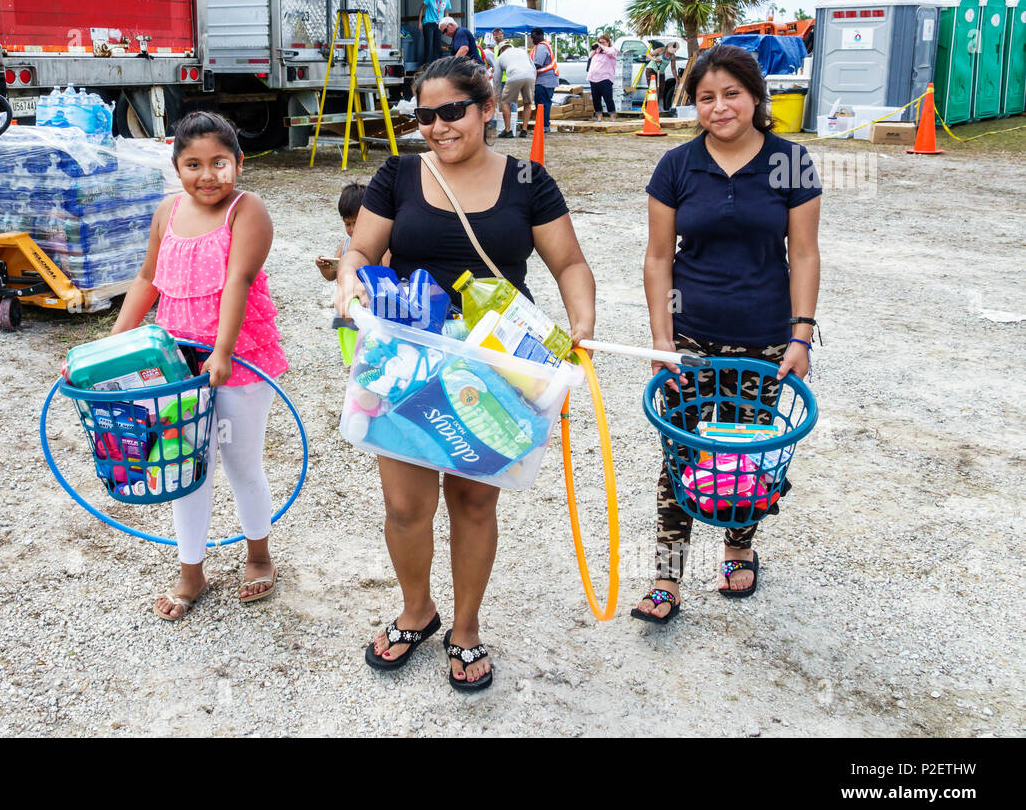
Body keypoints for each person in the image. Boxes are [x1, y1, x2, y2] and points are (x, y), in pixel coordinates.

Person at [334, 55, 597, 690]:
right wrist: (348, 278)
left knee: (475, 500)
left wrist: (581, 327)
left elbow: (568, 264)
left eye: (453, 111)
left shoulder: (529, 179)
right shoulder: (397, 173)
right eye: (425, 115)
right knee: (404, 505)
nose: (438, 126)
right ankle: (416, 610)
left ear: (487, 110)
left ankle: (467, 626)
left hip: (496, 360)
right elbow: (362, 249)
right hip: (407, 360)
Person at [635, 44, 821, 625]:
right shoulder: (675, 166)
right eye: (705, 98)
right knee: (680, 454)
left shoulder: (792, 161)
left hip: (765, 337)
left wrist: (801, 336)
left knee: (744, 454)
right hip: (690, 333)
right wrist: (662, 337)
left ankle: (739, 548)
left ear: (756, 96)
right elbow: (659, 258)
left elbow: (806, 254)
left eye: (731, 94)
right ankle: (667, 577)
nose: (719, 108)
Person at [109, 111, 290, 622]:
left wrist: (223, 352)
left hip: (238, 361)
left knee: (240, 463)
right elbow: (147, 280)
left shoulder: (246, 211)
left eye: (218, 163)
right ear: (176, 167)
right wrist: (106, 350)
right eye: (193, 164)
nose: (207, 175)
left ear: (238, 163)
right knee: (185, 467)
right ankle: (192, 571)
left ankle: (259, 555)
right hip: (176, 364)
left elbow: (238, 281)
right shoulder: (167, 211)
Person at [316, 182, 366, 282]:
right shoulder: (345, 244)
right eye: (347, 224)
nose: (352, 229)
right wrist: (323, 267)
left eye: (356, 223)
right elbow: (331, 275)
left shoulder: (378, 245)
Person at [495, 41, 536, 138]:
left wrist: (496, 96)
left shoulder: (501, 57)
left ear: (501, 50)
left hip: (514, 75)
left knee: (505, 102)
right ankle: (524, 130)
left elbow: (497, 79)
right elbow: (533, 67)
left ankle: (508, 130)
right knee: (528, 103)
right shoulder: (522, 51)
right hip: (530, 75)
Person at [418, 0, 452, 72]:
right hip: (428, 23)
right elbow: (422, 9)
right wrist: (420, 23)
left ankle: (437, 66)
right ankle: (426, 67)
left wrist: (447, 22)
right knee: (429, 45)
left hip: (439, 24)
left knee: (437, 45)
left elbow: (446, 12)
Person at [529, 27, 558, 133]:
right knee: (543, 103)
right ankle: (543, 125)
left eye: (534, 37)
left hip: (544, 81)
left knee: (542, 104)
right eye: (532, 38)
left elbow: (537, 64)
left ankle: (544, 126)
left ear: (541, 35)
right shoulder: (541, 46)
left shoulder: (541, 47)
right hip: (545, 80)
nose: (533, 40)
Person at [585, 34, 619, 121]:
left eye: (603, 42)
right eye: (600, 42)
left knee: (608, 98)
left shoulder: (612, 50)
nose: (601, 44)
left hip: (605, 78)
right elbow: (589, 58)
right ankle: (599, 117)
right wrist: (595, 50)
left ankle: (612, 117)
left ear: (608, 42)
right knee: (596, 99)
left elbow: (611, 52)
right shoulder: (597, 52)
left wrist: (602, 46)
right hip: (593, 78)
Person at [645, 41, 680, 109]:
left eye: (675, 49)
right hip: (651, 70)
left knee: (661, 89)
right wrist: (654, 59)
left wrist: (676, 78)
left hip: (661, 72)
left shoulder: (672, 56)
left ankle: (660, 108)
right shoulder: (661, 50)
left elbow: (673, 68)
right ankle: (650, 107)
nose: (674, 50)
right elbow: (648, 55)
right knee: (653, 88)